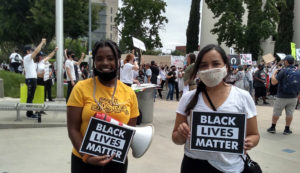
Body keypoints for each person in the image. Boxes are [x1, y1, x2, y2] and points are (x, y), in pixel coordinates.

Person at [172, 44, 259, 173]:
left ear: (226, 66)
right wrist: (180, 133)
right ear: (198, 70)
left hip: (231, 167)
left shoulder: (243, 97)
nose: (210, 69)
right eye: (204, 65)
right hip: (194, 165)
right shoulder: (188, 99)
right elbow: (176, 139)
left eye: (216, 63)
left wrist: (249, 142)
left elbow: (254, 135)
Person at [67, 40, 139, 173]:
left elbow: (130, 131)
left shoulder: (129, 93)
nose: (105, 63)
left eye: (110, 58)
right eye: (99, 59)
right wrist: (87, 156)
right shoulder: (81, 88)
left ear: (118, 61)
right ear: (94, 62)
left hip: (116, 162)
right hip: (83, 161)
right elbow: (73, 129)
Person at [267, 55, 300, 135]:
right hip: (293, 96)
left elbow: (274, 82)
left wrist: (274, 74)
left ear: (286, 61)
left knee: (276, 112)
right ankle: (287, 129)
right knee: (290, 113)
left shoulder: (283, 71)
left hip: (282, 96)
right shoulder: (298, 72)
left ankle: (273, 127)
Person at [23, 38, 46, 118]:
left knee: (31, 96)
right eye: (31, 50)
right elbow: (36, 51)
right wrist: (42, 42)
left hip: (32, 79)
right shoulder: (27, 57)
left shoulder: (30, 60)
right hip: (30, 80)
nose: (32, 52)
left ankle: (30, 112)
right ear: (27, 51)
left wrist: (41, 74)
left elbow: (33, 73)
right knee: (30, 97)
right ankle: (29, 114)